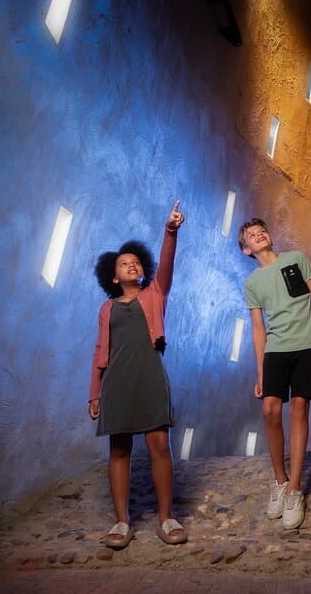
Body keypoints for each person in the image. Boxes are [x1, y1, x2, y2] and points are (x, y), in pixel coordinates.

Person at [88, 201, 187, 548]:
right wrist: (94, 393)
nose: (132, 265)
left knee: (159, 444)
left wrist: (170, 229)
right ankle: (121, 523)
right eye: (123, 264)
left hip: (150, 378)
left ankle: (166, 517)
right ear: (113, 277)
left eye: (136, 262)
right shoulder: (106, 308)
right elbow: (100, 353)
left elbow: (168, 262)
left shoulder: (155, 294)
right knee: (119, 449)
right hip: (116, 383)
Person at [238, 218, 311, 530]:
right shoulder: (252, 283)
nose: (258, 234)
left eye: (261, 230)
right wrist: (261, 372)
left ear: (269, 236)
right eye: (251, 235)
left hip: (307, 346)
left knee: (301, 409)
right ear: (246, 249)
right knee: (269, 409)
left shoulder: (296, 259)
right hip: (276, 350)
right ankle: (279, 480)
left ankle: (295, 489)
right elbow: (257, 328)